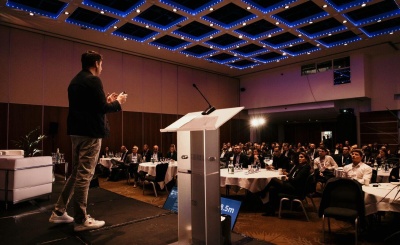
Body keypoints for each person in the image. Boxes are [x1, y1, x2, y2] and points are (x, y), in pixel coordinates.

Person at [48, 50, 127, 231]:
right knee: (85, 175)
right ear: (96, 63)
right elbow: (102, 109)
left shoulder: (75, 81)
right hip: (91, 133)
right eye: (101, 64)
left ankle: (59, 211)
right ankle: (81, 219)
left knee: (77, 173)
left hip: (76, 132)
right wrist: (119, 102)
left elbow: (92, 106)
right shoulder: (94, 80)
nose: (102, 68)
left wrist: (106, 100)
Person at [259, 152, 312, 216]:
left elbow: (296, 180)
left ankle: (263, 192)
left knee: (273, 179)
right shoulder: (299, 165)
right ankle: (271, 211)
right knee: (272, 189)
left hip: (296, 189)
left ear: (306, 159)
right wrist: (287, 175)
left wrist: (288, 178)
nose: (299, 158)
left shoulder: (306, 167)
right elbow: (291, 175)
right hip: (291, 185)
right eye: (299, 157)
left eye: (302, 157)